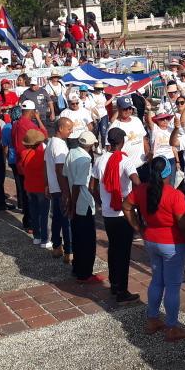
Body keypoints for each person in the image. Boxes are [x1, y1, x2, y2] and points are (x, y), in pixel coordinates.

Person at [124, 155, 185, 342]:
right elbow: (184, 226)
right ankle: (172, 327)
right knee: (172, 286)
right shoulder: (175, 195)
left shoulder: (141, 190)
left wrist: (137, 227)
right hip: (173, 243)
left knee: (157, 280)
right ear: (169, 173)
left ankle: (153, 319)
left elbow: (126, 206)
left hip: (151, 240)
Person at [93, 127, 142, 304]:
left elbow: (93, 187)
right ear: (121, 142)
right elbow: (137, 182)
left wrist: (102, 203)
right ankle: (122, 291)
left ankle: (115, 285)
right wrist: (133, 202)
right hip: (123, 212)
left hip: (108, 212)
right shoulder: (125, 161)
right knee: (124, 252)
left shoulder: (99, 160)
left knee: (114, 249)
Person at [67, 131, 102, 283]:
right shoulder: (85, 159)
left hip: (76, 201)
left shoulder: (71, 152)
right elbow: (78, 185)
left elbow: (65, 175)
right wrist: (73, 205)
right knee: (87, 241)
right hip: (83, 203)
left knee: (77, 237)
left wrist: (69, 201)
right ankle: (85, 273)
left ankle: (77, 268)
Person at [46, 117, 73, 262]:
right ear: (61, 128)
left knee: (56, 218)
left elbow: (46, 165)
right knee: (65, 221)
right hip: (60, 188)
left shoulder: (50, 142)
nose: (71, 132)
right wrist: (66, 192)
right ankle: (69, 251)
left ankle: (57, 246)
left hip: (53, 186)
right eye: (69, 129)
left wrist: (47, 184)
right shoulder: (60, 145)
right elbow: (59, 169)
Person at [20, 129, 50, 247]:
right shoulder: (42, 154)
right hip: (41, 187)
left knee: (34, 212)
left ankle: (36, 237)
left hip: (29, 186)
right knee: (44, 214)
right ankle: (45, 239)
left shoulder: (24, 153)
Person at [108, 96, 149, 162]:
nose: (128, 111)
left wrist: (147, 153)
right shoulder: (114, 126)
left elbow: (143, 138)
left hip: (142, 162)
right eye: (125, 108)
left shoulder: (137, 120)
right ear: (118, 108)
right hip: (125, 166)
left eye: (130, 108)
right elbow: (109, 148)